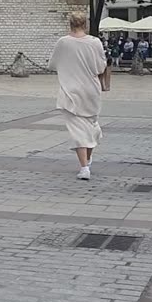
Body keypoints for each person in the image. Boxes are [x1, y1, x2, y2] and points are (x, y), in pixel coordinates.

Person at [48, 13, 108, 180]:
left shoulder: (63, 42)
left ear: (70, 24)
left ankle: (84, 167)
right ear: (86, 24)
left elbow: (52, 64)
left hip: (71, 91)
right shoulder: (95, 42)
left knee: (78, 132)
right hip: (91, 91)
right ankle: (87, 161)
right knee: (90, 127)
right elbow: (101, 67)